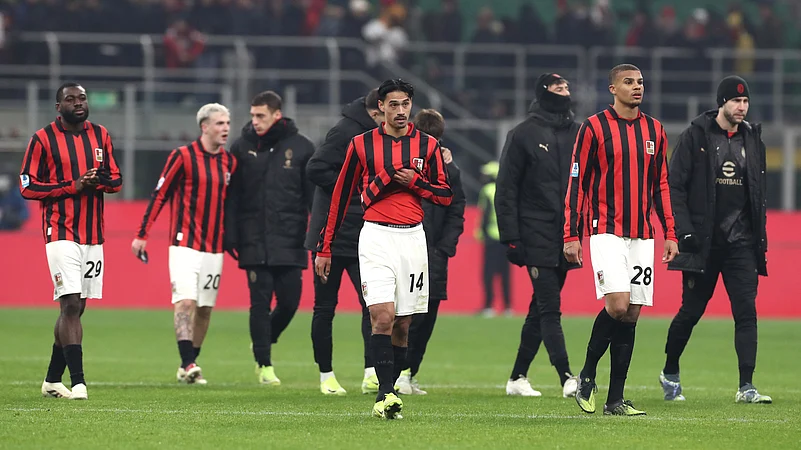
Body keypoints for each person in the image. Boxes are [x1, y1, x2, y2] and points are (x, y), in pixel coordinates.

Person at [315, 79, 452, 420]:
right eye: (394, 105)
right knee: (382, 317)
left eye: (406, 104)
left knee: (403, 325)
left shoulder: (428, 145)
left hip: (412, 238)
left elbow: (445, 195)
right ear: (381, 109)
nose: (401, 111)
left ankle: (389, 386)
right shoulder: (361, 145)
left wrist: (415, 182)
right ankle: (384, 394)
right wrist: (325, 245)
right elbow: (344, 196)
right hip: (375, 236)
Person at [564, 64, 679, 416]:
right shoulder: (594, 127)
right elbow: (577, 181)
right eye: (628, 82)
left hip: (643, 234)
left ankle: (615, 399)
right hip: (606, 229)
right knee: (616, 305)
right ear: (612, 88)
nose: (637, 87)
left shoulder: (655, 130)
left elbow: (661, 184)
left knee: (630, 314)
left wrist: (670, 233)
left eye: (640, 82)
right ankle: (586, 375)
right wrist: (571, 234)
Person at [660, 76, 771, 404]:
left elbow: (758, 193)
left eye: (746, 102)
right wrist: (684, 232)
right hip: (703, 244)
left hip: (741, 243)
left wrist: (758, 238)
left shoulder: (753, 140)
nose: (742, 107)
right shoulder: (696, 136)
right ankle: (670, 372)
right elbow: (674, 186)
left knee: (746, 312)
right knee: (691, 311)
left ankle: (746, 386)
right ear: (722, 102)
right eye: (736, 101)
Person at [20, 82, 123, 400]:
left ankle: (52, 380)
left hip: (94, 235)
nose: (78, 103)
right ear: (58, 106)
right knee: (70, 303)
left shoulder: (101, 135)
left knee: (78, 308)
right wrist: (72, 185)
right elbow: (27, 186)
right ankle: (79, 382)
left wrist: (101, 182)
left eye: (82, 98)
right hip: (60, 230)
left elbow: (116, 178)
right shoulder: (42, 139)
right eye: (70, 99)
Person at [132, 103, 236, 385]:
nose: (225, 128)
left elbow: (230, 205)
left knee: (204, 309)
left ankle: (188, 362)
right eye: (219, 124)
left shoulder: (229, 162)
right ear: (204, 127)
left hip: (214, 248)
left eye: (227, 123)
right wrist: (143, 234)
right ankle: (189, 362)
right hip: (184, 244)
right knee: (185, 303)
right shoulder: (182, 156)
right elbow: (160, 194)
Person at [495, 73, 581, 399]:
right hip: (534, 232)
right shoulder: (523, 135)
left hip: (565, 234)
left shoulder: (578, 133)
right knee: (549, 307)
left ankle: (517, 377)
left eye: (567, 87)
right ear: (543, 93)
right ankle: (567, 377)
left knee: (538, 309)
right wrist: (511, 237)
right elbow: (506, 189)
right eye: (558, 88)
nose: (565, 92)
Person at [224, 91, 315, 385]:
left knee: (290, 302)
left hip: (290, 238)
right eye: (252, 116)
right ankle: (264, 365)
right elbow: (233, 197)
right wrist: (231, 234)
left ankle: (265, 339)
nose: (255, 121)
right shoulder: (241, 147)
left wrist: (316, 234)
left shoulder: (302, 148)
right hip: (253, 237)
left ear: (277, 114)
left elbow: (312, 198)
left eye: (260, 116)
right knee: (259, 303)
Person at [305, 88, 384, 396]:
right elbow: (316, 168)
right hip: (330, 232)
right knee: (325, 308)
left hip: (362, 233)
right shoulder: (346, 131)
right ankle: (326, 376)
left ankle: (370, 373)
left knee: (372, 306)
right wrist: (352, 187)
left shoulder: (380, 136)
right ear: (375, 111)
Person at [396, 108, 466, 395]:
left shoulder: (450, 171)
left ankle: (410, 373)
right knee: (405, 315)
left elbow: (456, 210)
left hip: (434, 254)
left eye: (436, 139)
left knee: (428, 316)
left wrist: (444, 248)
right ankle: (395, 371)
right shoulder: (401, 165)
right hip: (405, 249)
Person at [475, 162, 511, 317]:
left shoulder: (487, 191)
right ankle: (508, 307)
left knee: (488, 274)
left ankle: (489, 306)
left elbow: (485, 213)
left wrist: (482, 233)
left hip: (491, 238)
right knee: (505, 274)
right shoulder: (507, 189)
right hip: (506, 238)